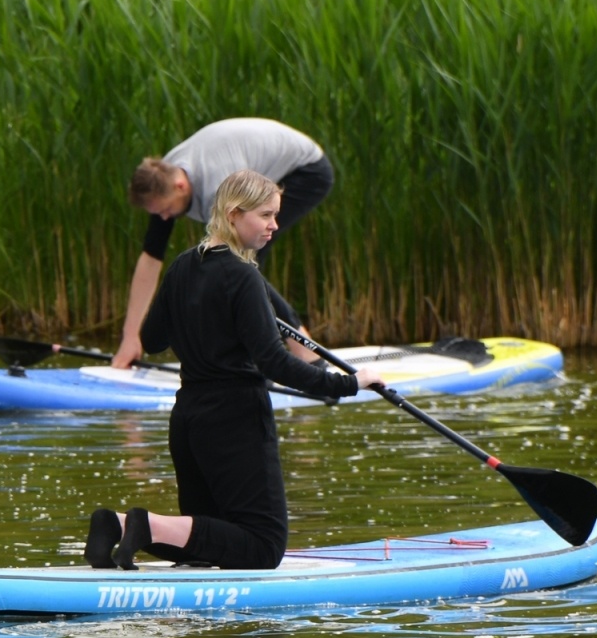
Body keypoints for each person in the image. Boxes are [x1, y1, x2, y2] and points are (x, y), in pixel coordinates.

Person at [84, 169, 383, 572]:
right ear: (233, 213)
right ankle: (144, 523)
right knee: (263, 547)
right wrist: (348, 383)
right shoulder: (244, 277)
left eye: (275, 215)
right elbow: (275, 363)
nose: (275, 225)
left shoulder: (182, 267)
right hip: (235, 420)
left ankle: (116, 526)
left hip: (188, 418)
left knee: (208, 539)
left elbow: (151, 339)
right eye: (265, 215)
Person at [114, 117, 333, 369]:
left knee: (238, 265)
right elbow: (151, 258)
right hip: (253, 166)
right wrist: (131, 337)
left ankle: (304, 349)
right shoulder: (162, 177)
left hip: (305, 171)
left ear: (180, 186)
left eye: (165, 210)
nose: (164, 218)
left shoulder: (218, 188)